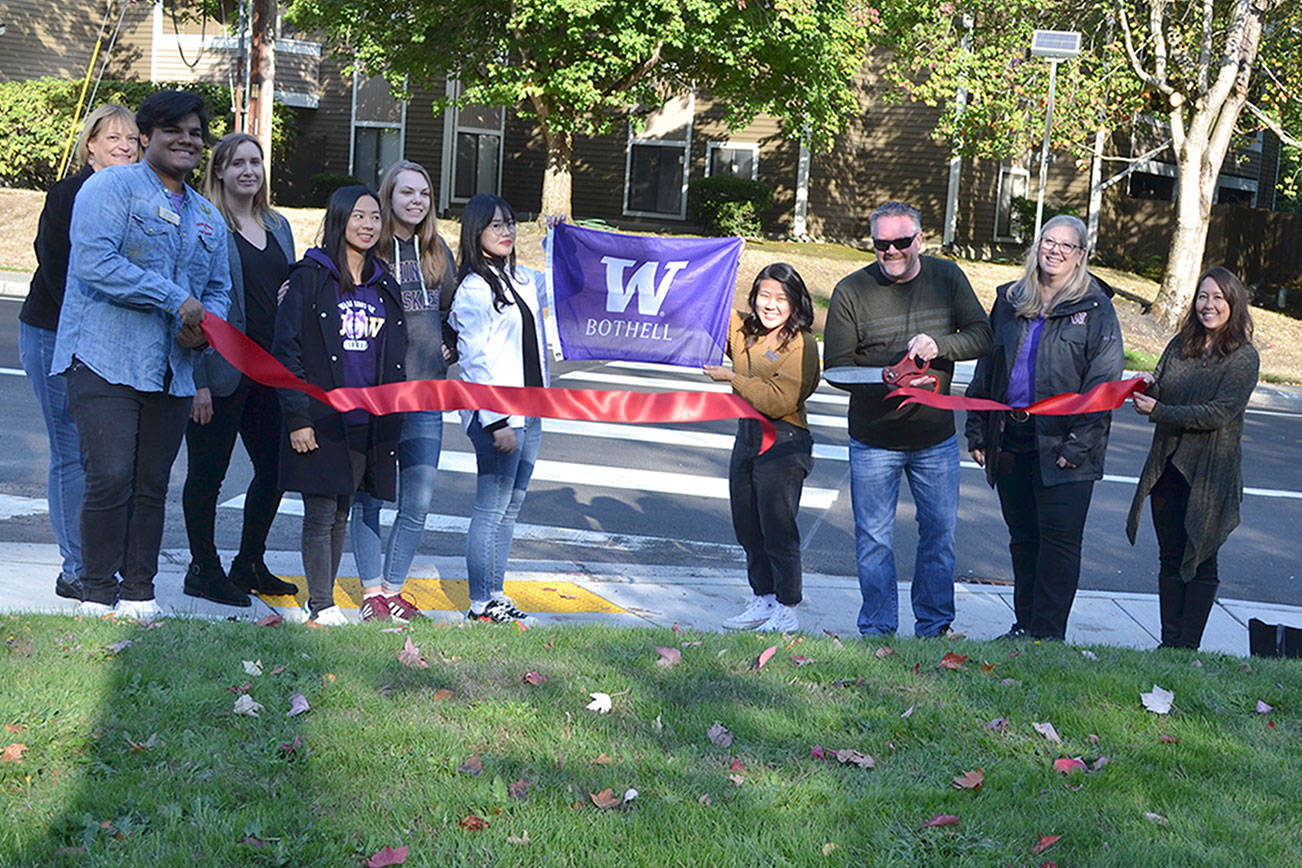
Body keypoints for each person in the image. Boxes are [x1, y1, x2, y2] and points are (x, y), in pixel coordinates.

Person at [52, 90, 230, 619]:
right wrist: (177, 301)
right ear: (146, 136)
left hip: (171, 372)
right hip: (103, 357)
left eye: (195, 133)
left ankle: (138, 595)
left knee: (152, 486)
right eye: (174, 130)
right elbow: (94, 262)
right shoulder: (110, 186)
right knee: (109, 478)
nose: (187, 140)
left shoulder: (206, 215)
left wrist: (204, 331)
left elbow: (217, 289)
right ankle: (96, 593)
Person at [823, 201, 992, 638]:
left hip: (934, 439)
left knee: (939, 535)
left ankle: (934, 626)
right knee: (874, 540)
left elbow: (983, 335)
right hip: (874, 439)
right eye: (882, 245)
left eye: (901, 242)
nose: (892, 252)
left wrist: (939, 347)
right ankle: (877, 628)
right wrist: (889, 379)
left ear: (920, 239)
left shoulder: (947, 277)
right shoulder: (851, 291)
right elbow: (836, 368)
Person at [964, 215, 1124, 641]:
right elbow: (989, 366)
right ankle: (1025, 625)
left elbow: (1103, 384)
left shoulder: (1095, 308)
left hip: (1064, 444)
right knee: (1023, 538)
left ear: (1081, 255)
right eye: (1047, 242)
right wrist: (978, 429)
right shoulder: (1011, 300)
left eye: (1065, 246)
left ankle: (1048, 634)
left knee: (1059, 542)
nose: (1054, 251)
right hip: (1012, 436)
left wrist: (1077, 445)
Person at [20, 104, 139, 603]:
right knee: (73, 453)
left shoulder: (143, 195)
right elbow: (57, 268)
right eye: (113, 137)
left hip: (113, 342)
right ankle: (77, 568)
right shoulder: (68, 194)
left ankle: (104, 561)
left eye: (133, 138)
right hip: (54, 333)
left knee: (109, 458)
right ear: (89, 144)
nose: (126, 145)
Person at [272, 186, 407, 626]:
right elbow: (285, 352)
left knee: (343, 509)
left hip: (367, 421)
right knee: (320, 510)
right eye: (358, 217)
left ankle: (325, 602)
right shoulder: (310, 277)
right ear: (339, 220)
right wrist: (297, 417)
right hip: (320, 416)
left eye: (374, 217)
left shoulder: (385, 282)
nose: (368, 225)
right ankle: (322, 604)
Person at [181, 133, 299, 607]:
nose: (249, 171)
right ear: (220, 171)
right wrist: (198, 381)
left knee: (275, 469)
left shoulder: (279, 224)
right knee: (207, 474)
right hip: (220, 370)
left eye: (256, 162)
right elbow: (191, 305)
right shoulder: (205, 224)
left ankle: (249, 562)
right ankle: (202, 569)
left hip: (271, 373)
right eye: (237, 163)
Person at [1126, 266, 1259, 650]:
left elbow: (1218, 412)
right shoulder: (1178, 345)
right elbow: (1162, 384)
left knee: (1200, 556)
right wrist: (1147, 386)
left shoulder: (1243, 358)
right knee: (1169, 557)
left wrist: (1159, 410)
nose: (1209, 305)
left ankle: (1188, 646)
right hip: (1167, 466)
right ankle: (1169, 644)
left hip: (1209, 474)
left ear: (1234, 304)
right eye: (1203, 296)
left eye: (1219, 298)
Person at [349, 160, 458, 622]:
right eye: (406, 193)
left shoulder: (438, 253)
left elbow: (455, 311)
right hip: (379, 396)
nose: (416, 201)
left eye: (424, 194)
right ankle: (371, 592)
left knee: (418, 501)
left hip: (428, 398)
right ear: (388, 196)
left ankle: (393, 591)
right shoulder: (371, 250)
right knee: (369, 500)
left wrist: (449, 344)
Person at [448, 194, 551, 624]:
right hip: (500, 418)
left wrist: (559, 239)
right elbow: (474, 363)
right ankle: (480, 604)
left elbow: (562, 280)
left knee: (511, 508)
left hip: (532, 410)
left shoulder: (520, 279)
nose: (506, 232)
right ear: (476, 233)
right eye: (495, 226)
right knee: (490, 509)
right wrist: (497, 421)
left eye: (510, 223)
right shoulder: (473, 288)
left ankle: (496, 592)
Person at [706, 263, 820, 633]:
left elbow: (779, 399)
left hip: (784, 440)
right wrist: (721, 264)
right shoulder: (743, 329)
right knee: (748, 525)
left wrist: (733, 378)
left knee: (777, 527)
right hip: (748, 435)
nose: (770, 305)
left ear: (795, 303)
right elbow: (707, 306)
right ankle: (763, 598)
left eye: (781, 298)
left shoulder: (801, 343)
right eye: (764, 296)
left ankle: (787, 607)